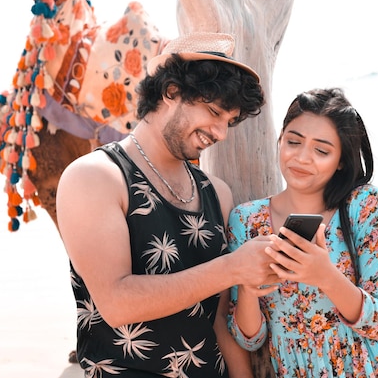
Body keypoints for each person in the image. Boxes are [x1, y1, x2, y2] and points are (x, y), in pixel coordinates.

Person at [56, 32, 280, 377]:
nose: (221, 132)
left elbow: (219, 321)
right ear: (171, 91)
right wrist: (234, 267)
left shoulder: (216, 193)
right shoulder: (95, 178)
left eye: (229, 122)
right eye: (213, 112)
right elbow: (116, 303)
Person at [226, 87, 378, 377]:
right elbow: (249, 338)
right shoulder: (246, 220)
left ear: (340, 160)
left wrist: (325, 275)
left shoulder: (365, 206)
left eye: (321, 150)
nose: (302, 157)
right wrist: (250, 291)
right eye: (293, 142)